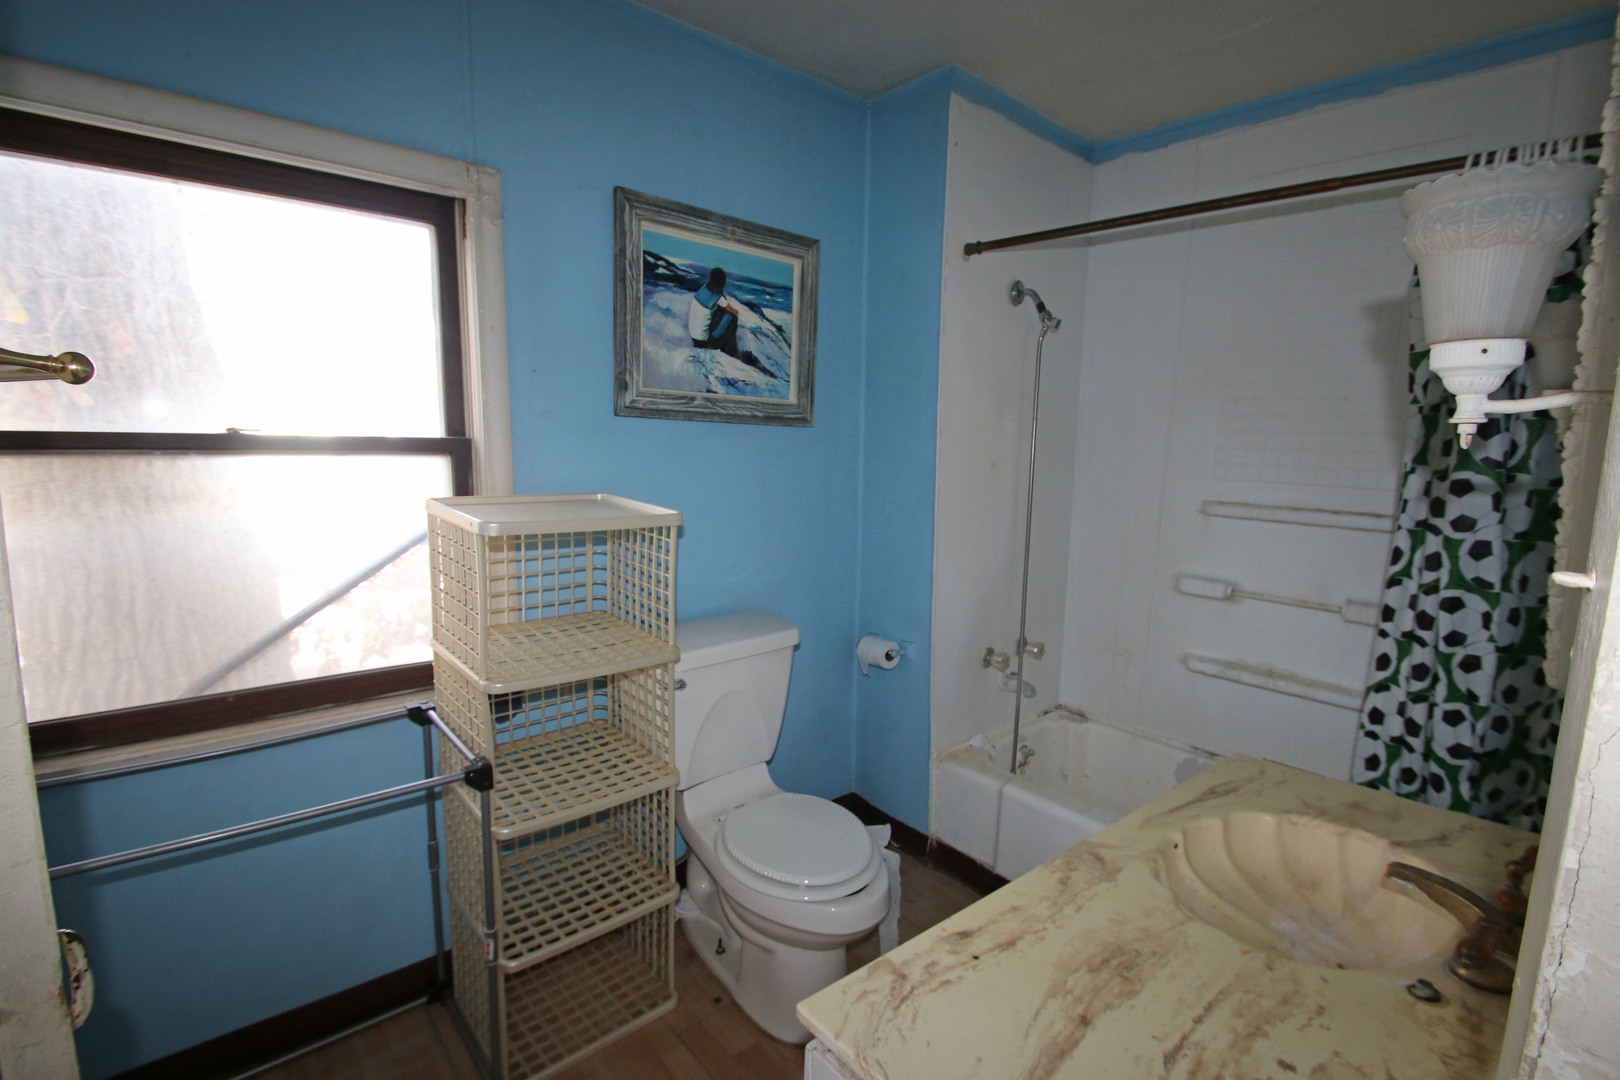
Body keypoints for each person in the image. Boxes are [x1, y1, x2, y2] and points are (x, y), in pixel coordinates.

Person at [688, 267, 745, 359]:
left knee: (719, 312)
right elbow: (735, 312)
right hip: (704, 341)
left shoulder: (703, 288)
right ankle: (730, 352)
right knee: (732, 317)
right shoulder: (718, 297)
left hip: (694, 337)